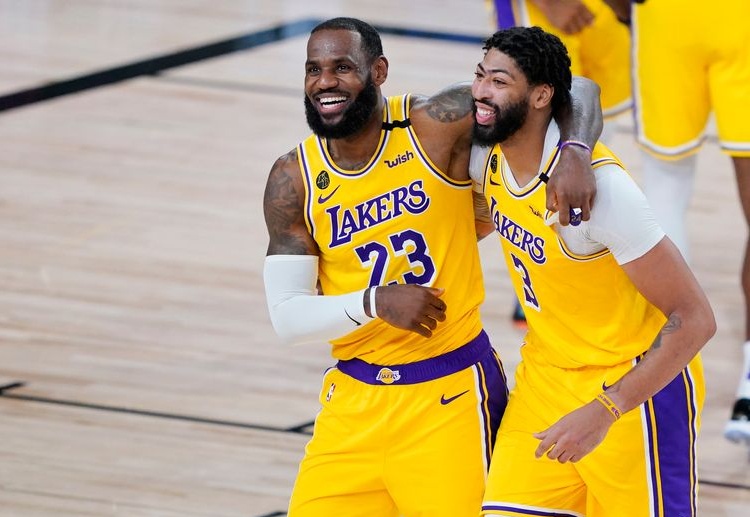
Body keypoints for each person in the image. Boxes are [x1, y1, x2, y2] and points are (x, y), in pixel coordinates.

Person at [262, 17, 602, 517]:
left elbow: (578, 89)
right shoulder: (293, 178)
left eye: (343, 68)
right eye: (314, 70)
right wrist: (374, 302)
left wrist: (574, 151)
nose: (325, 82)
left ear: (379, 71)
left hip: (450, 393)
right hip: (351, 403)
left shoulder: (434, 123)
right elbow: (288, 317)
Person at [469, 26, 716, 516]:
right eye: (479, 75)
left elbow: (696, 319)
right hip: (544, 379)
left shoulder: (603, 196)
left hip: (634, 392)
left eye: (498, 81)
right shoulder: (486, 153)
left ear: (542, 96)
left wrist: (606, 410)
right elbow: (580, 87)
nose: (480, 91)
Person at [604, 0, 750, 447]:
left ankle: (671, 375)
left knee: (665, 192)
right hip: (682, 23)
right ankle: (674, 370)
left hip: (678, 24)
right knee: (664, 195)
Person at [486, 0, 631, 328]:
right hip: (542, 10)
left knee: (598, 120)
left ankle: (584, 260)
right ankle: (538, 275)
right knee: (539, 120)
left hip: (609, 12)